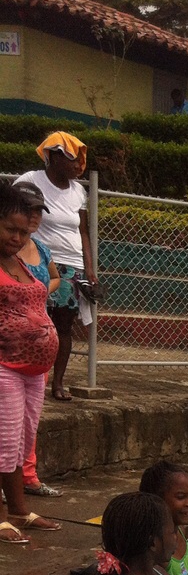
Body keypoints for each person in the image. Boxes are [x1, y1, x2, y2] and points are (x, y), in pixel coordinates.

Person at [14, 132, 96, 402]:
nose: (78, 166)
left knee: (63, 326)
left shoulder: (78, 191)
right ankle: (24, 376)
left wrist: (89, 268)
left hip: (71, 265)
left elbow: (83, 231)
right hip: (36, 261)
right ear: (54, 156)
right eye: (73, 159)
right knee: (30, 321)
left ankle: (57, 383)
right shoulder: (30, 180)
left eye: (80, 161)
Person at [0, 183, 60, 543]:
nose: (18, 238)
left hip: (33, 370)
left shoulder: (19, 261)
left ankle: (19, 511)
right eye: (11, 229)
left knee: (21, 444)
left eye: (23, 232)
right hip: (4, 365)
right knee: (3, 443)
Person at [15, 182, 62, 498]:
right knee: (9, 418)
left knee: (30, 419)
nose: (33, 216)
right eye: (27, 209)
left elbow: (55, 276)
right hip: (10, 350)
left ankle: (28, 476)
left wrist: (41, 291)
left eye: (37, 211)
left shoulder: (41, 249)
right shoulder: (7, 249)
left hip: (38, 350)